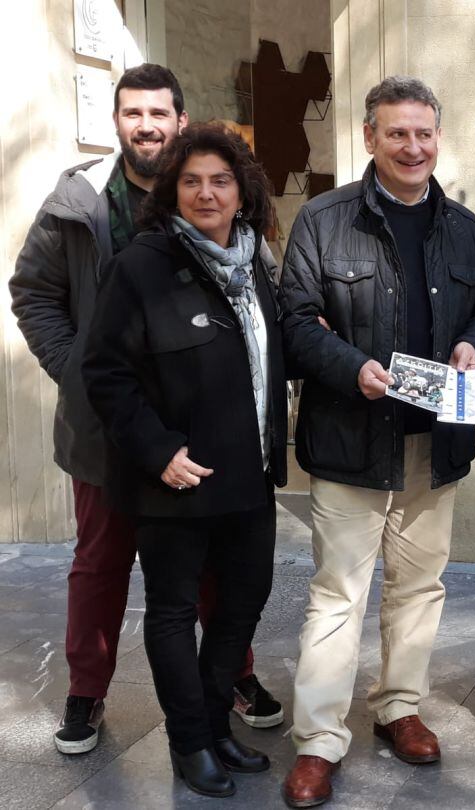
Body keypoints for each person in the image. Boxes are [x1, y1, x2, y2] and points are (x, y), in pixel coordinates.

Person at [7, 64, 281, 757]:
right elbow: (34, 291)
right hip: (107, 430)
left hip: (204, 434)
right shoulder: (82, 200)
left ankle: (235, 678)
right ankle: (87, 689)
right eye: (133, 113)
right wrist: (79, 373)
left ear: (181, 122)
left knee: (218, 568)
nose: (147, 125)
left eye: (159, 113)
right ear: (117, 121)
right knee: (102, 562)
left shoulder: (226, 214)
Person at [279, 76, 475, 808]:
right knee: (338, 596)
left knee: (419, 589)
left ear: (438, 137)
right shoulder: (323, 220)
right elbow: (297, 322)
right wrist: (353, 369)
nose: (412, 146)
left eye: (423, 133)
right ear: (368, 137)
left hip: (435, 445)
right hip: (348, 439)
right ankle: (319, 741)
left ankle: (399, 706)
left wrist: (471, 345)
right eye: (396, 132)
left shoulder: (464, 228)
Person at [81, 123, 287, 797]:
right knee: (173, 612)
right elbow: (106, 372)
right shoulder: (141, 263)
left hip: (249, 473)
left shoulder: (255, 260)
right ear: (172, 190)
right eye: (192, 181)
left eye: (220, 181)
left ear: (241, 189)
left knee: (244, 600)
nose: (207, 193)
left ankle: (215, 723)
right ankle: (189, 741)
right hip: (176, 478)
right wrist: (159, 450)